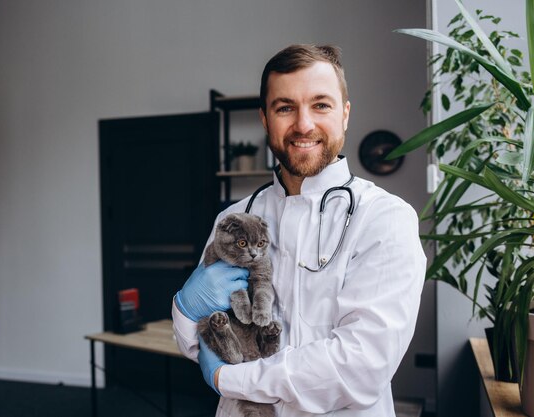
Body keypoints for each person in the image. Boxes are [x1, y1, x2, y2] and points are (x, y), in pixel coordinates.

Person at [171, 44, 426, 417]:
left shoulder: (385, 219)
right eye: (285, 107)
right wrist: (184, 308)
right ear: (265, 118)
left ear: (345, 115)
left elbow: (360, 367)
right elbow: (197, 343)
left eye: (320, 105)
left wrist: (229, 380)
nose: (303, 124)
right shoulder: (235, 217)